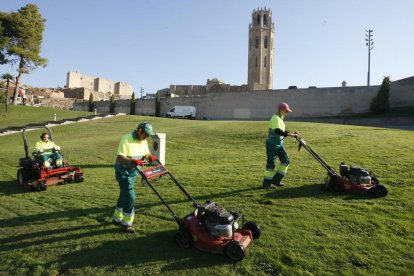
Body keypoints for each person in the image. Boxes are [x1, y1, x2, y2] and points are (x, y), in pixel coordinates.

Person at [112, 122, 158, 233]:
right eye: (146, 134)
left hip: (134, 173)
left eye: (148, 135)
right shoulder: (126, 139)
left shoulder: (144, 141)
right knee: (131, 196)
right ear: (139, 131)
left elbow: (146, 154)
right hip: (123, 172)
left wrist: (149, 157)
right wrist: (133, 161)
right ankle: (126, 224)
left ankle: (116, 218)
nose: (147, 137)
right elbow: (120, 158)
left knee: (124, 194)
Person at [263, 102, 299, 189]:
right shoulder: (275, 118)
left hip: (279, 144)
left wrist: (291, 133)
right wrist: (291, 135)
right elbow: (277, 131)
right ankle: (266, 183)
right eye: (286, 111)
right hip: (272, 144)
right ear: (281, 110)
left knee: (286, 160)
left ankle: (276, 180)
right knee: (271, 163)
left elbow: (282, 130)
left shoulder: (280, 118)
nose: (287, 113)